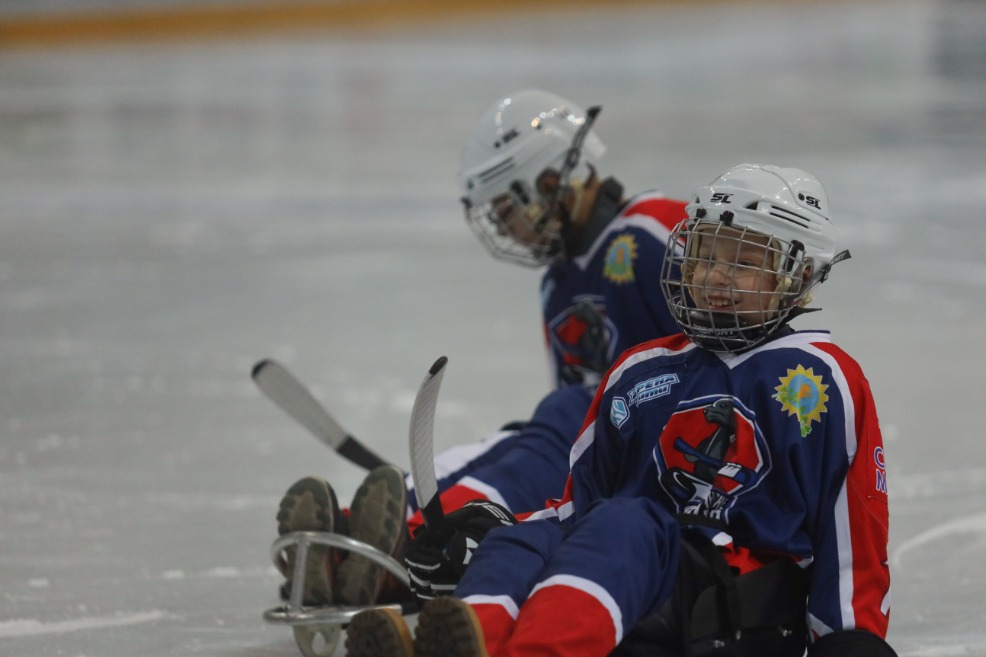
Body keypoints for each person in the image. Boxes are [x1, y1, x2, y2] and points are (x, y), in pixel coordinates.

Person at [345, 164, 909, 657]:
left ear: (799, 275)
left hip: (737, 615)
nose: (715, 277)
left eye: (744, 261)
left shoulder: (819, 379)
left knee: (626, 521)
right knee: (526, 539)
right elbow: (571, 510)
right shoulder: (639, 371)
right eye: (704, 256)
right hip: (640, 596)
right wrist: (484, 534)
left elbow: (852, 539)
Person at [274, 90, 687, 608]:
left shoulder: (655, 231)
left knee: (560, 424)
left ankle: (412, 537)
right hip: (602, 445)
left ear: (551, 180)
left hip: (665, 454)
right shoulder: (558, 282)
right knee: (522, 440)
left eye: (506, 208)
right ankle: (367, 530)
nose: (505, 227)